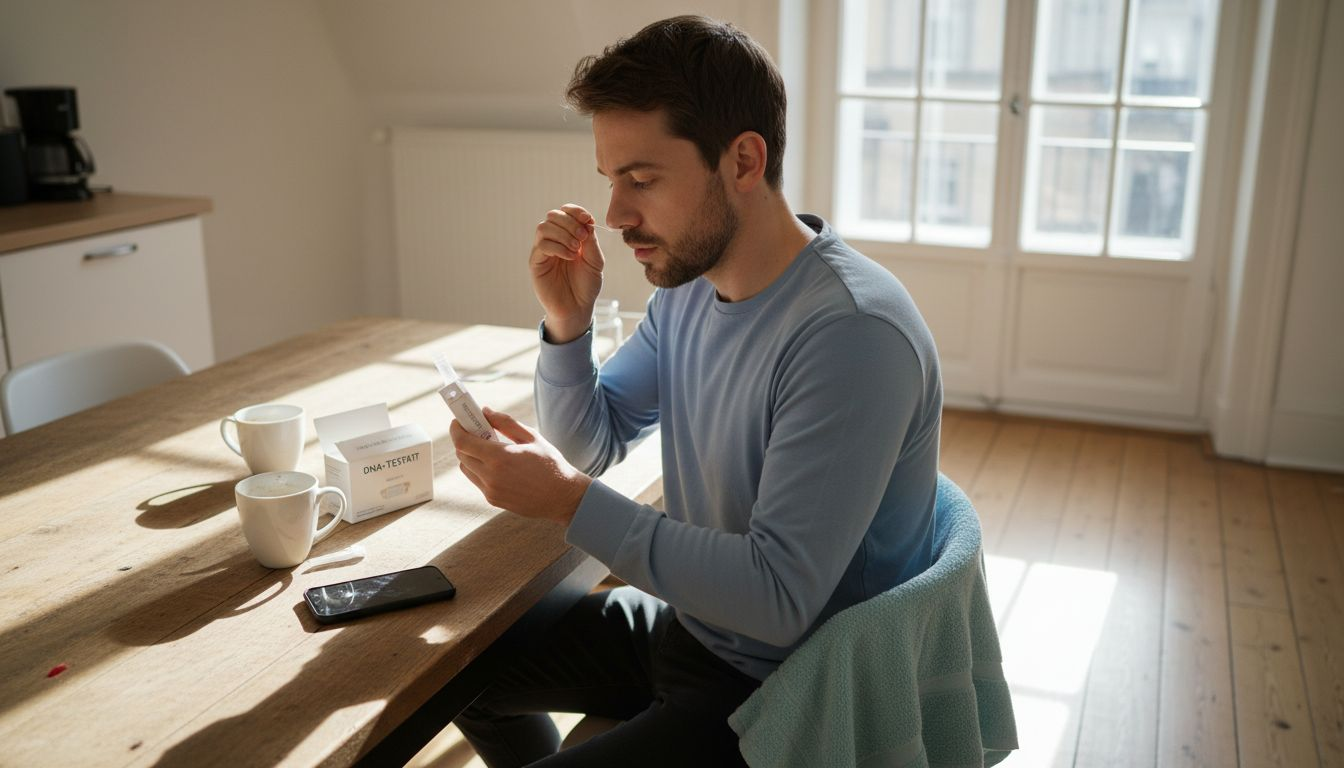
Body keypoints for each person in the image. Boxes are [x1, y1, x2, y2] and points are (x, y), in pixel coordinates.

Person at [448, 14, 942, 767]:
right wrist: (567, 325)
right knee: (462, 676)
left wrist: (570, 502)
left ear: (744, 160)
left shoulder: (851, 335)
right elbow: (594, 440)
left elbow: (778, 603)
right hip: (698, 629)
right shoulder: (689, 284)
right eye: (611, 181)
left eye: (642, 179)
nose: (615, 217)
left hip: (786, 690)